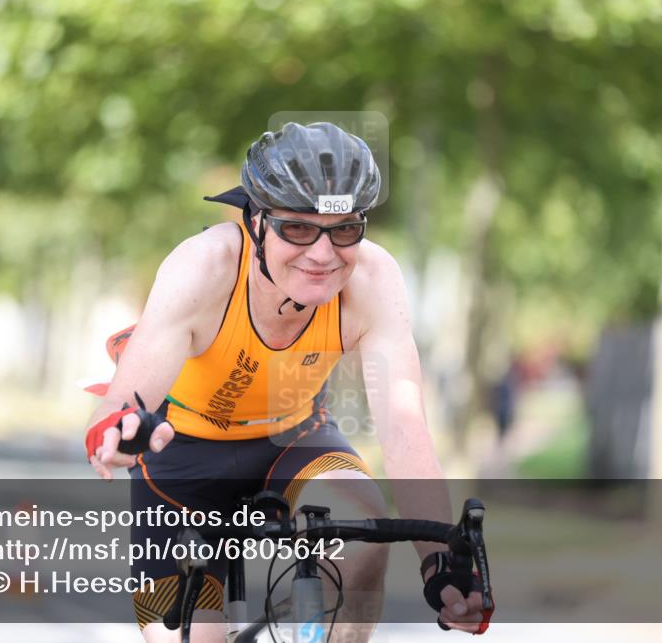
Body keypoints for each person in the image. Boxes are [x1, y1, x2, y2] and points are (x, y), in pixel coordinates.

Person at [85, 122, 490, 641]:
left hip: (294, 439)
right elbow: (122, 402)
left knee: (363, 534)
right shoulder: (203, 268)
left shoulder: (372, 280)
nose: (322, 254)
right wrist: (117, 432)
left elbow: (405, 428)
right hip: (179, 461)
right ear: (254, 220)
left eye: (344, 229)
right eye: (297, 229)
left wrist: (441, 565)